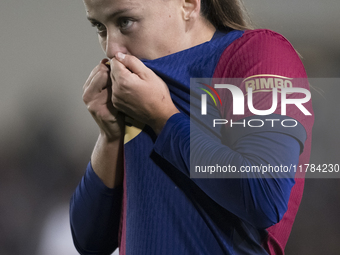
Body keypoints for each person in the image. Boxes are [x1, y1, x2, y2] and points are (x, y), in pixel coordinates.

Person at [70, 0, 314, 254]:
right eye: (100, 27)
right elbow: (90, 242)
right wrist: (110, 136)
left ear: (188, 4)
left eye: (125, 22)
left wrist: (163, 118)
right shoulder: (137, 90)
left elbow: (265, 197)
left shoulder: (262, 53)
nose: (111, 49)